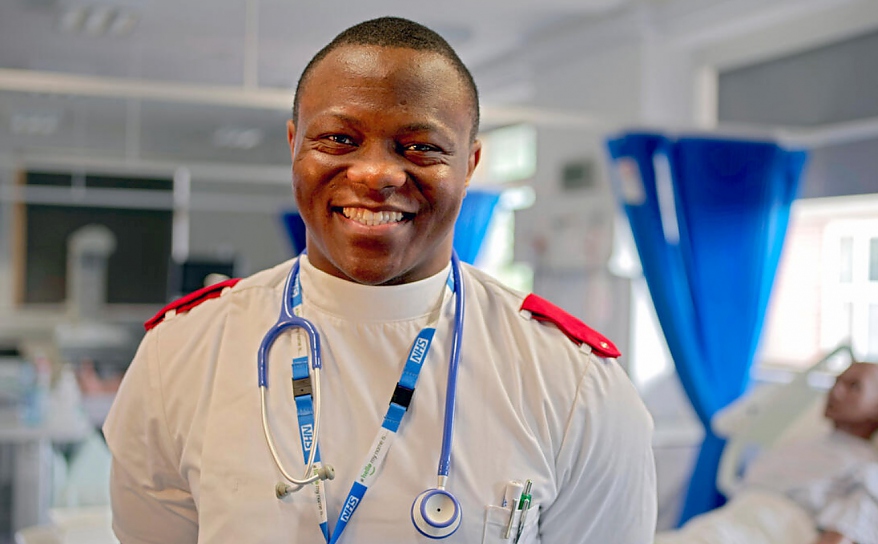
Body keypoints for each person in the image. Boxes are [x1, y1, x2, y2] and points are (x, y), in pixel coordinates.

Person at [103, 16, 657, 544]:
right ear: (293, 144)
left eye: (421, 147)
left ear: (470, 164)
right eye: (338, 140)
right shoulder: (180, 354)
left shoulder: (575, 386)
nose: (376, 175)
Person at [659, 362, 878, 544]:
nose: (836, 391)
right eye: (836, 381)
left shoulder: (870, 471)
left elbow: (843, 536)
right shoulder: (799, 446)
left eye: (854, 386)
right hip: (722, 526)